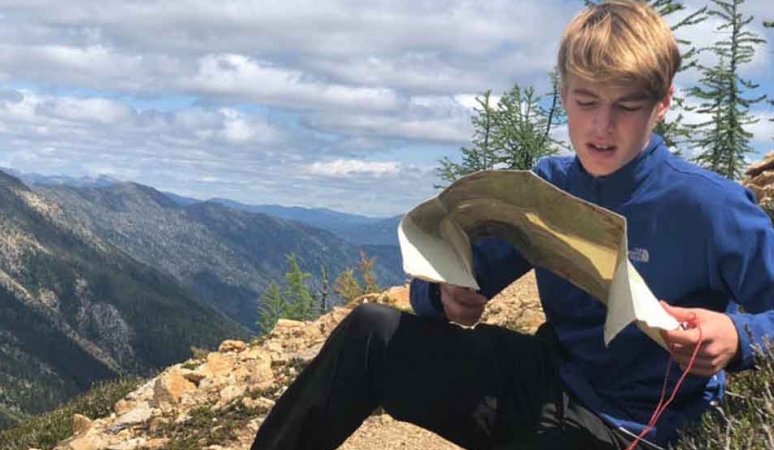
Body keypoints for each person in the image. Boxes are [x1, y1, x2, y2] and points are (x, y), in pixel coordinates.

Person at [250, 1, 774, 449]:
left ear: (662, 104)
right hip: (546, 378)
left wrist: (739, 335)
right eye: (585, 101)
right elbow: (462, 277)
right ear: (564, 93)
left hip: (634, 424)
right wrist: (443, 297)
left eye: (627, 106)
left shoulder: (711, 206)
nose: (601, 126)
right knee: (373, 333)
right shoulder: (545, 187)